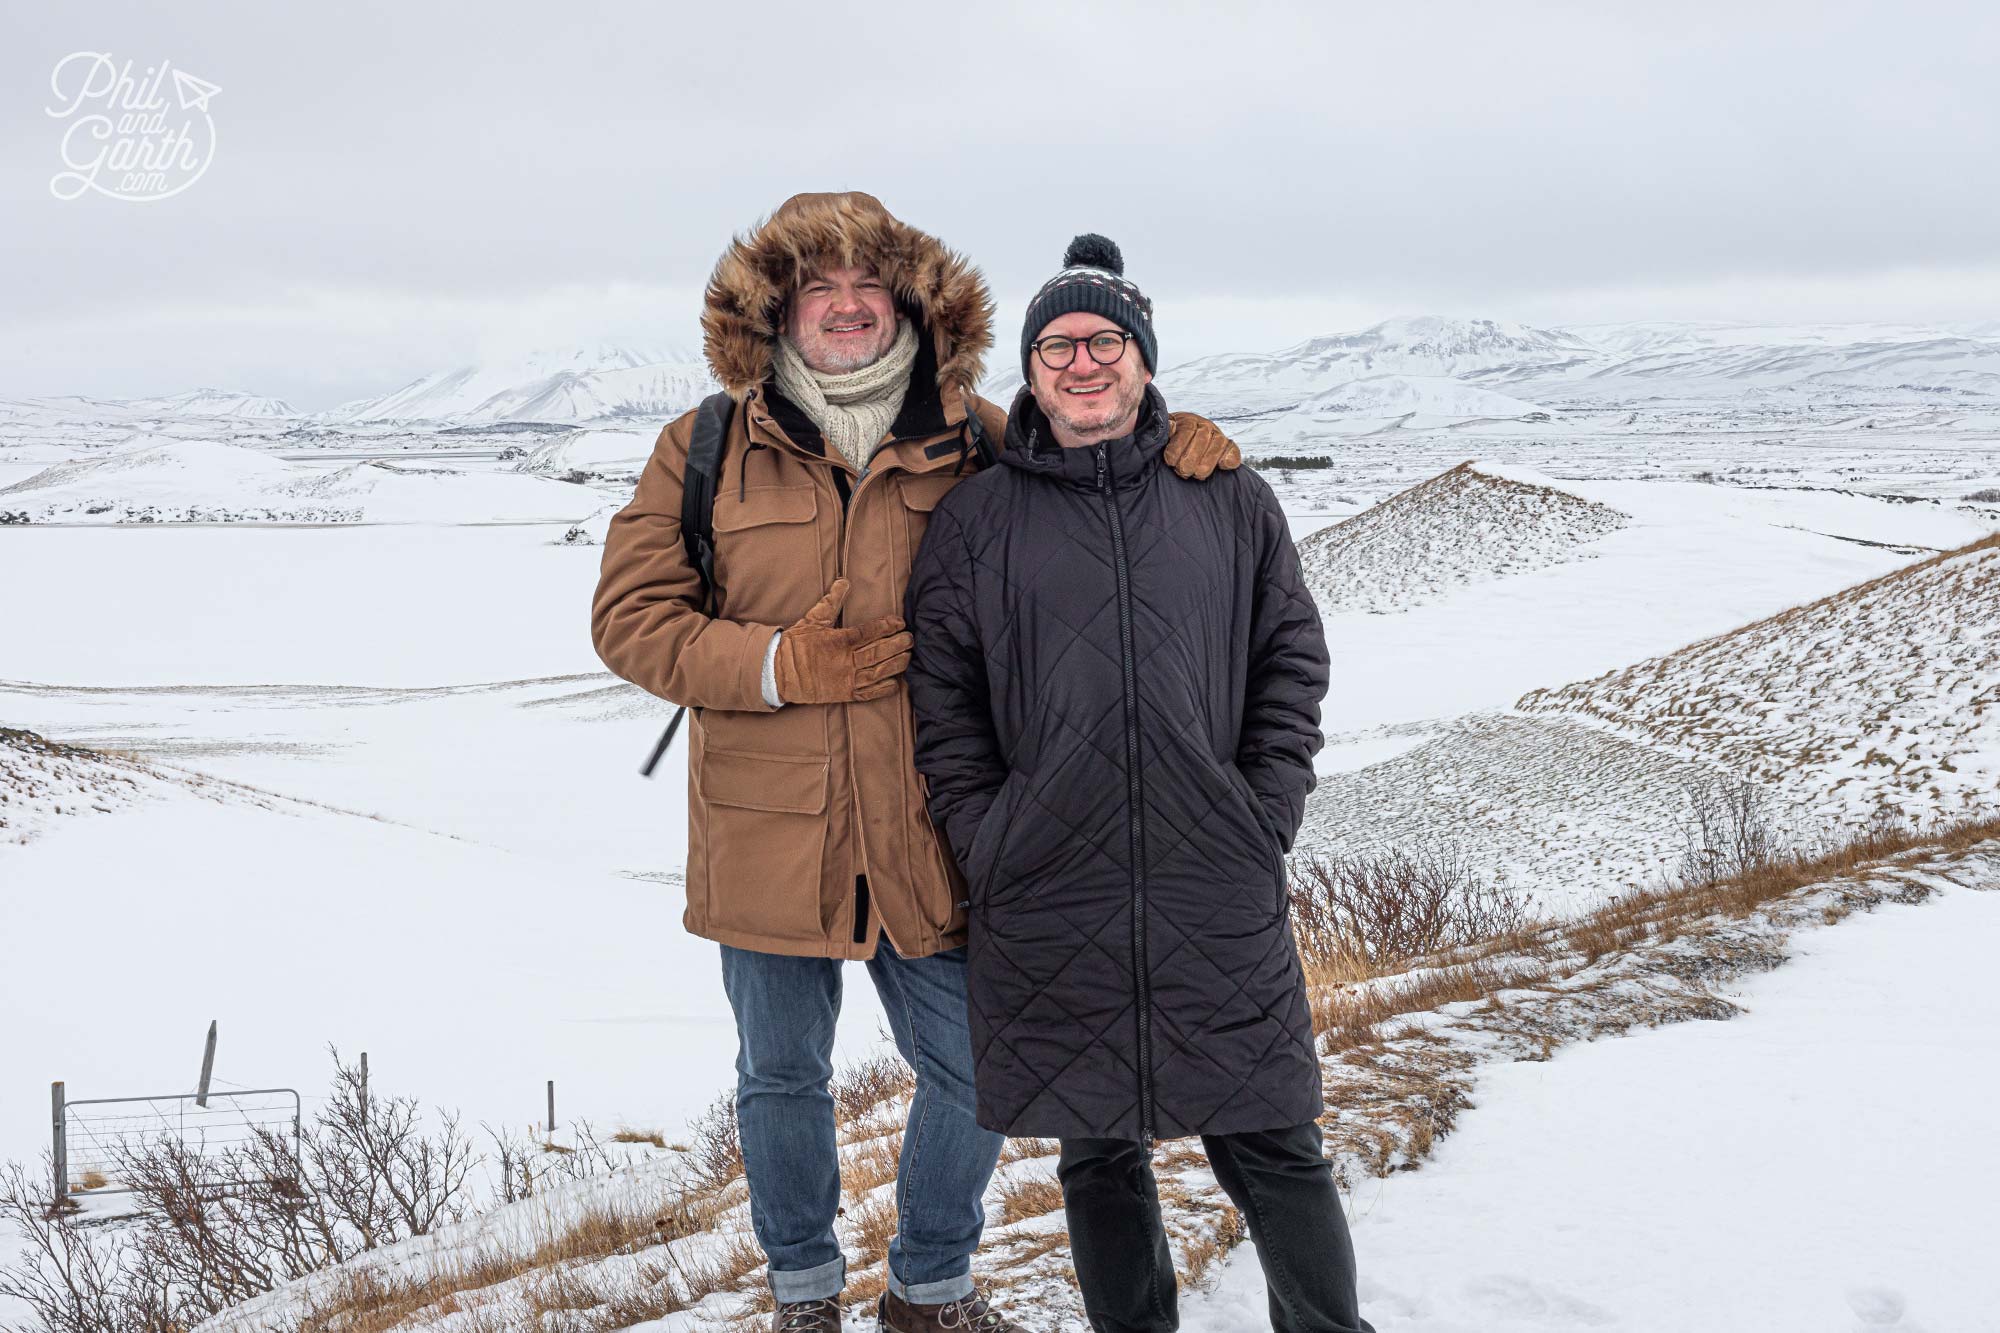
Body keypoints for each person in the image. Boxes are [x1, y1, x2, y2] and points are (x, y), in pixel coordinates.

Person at [590, 194, 1243, 1333]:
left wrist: (1182, 447)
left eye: (867, 286)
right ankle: (802, 1295)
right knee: (779, 1079)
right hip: (766, 827)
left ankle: (927, 1285)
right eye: (815, 288)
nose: (844, 307)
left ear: (907, 302)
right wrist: (783, 664)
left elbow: (1096, 473)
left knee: (977, 1066)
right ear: (775, 312)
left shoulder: (976, 435)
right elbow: (632, 620)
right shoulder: (702, 448)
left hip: (927, 823)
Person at [905, 234, 1373, 1333]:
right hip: (1050, 880)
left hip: (1212, 868)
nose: (1081, 363)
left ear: (1143, 360)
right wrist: (992, 831)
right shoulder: (977, 520)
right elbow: (944, 696)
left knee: (1273, 1139)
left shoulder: (1225, 496)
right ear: (1027, 372)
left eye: (1103, 341)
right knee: (1097, 1150)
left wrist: (1261, 806)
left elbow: (1289, 657)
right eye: (1056, 345)